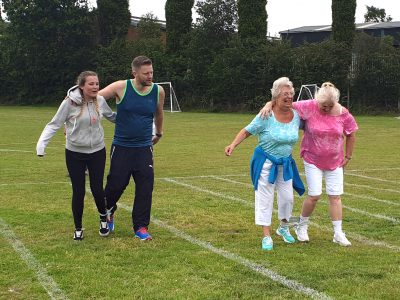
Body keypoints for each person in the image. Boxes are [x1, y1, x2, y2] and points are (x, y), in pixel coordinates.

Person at [260, 82, 358, 246]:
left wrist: (348, 156)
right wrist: (268, 104)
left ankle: (338, 233)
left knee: (335, 196)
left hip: (335, 161)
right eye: (323, 105)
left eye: (329, 106)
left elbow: (351, 134)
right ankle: (302, 226)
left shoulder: (343, 113)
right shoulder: (309, 106)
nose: (325, 109)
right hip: (312, 158)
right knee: (315, 195)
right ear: (317, 101)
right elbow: (285, 103)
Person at [224, 77, 305, 251]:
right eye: (285, 94)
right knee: (265, 198)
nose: (290, 97)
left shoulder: (297, 114)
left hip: (286, 163)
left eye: (291, 94)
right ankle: (266, 235)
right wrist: (233, 145)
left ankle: (283, 228)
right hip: (266, 163)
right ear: (276, 96)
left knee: (287, 199)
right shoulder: (266, 115)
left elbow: (318, 107)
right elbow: (247, 131)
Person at [36, 71, 116, 241]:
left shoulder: (100, 101)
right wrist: (41, 145)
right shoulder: (69, 104)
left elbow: (113, 117)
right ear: (81, 86)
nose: (95, 87)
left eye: (97, 83)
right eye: (91, 84)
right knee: (78, 191)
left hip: (97, 151)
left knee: (97, 189)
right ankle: (78, 228)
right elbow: (54, 124)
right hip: (74, 153)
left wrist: (135, 117)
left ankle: (103, 219)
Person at [98, 55, 165, 241]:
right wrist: (73, 101)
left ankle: (141, 226)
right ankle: (108, 210)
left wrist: (158, 133)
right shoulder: (120, 87)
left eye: (151, 72)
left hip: (144, 147)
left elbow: (158, 113)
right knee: (116, 185)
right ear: (134, 73)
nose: (150, 76)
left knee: (145, 186)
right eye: (146, 73)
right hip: (121, 146)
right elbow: (95, 97)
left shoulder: (158, 91)